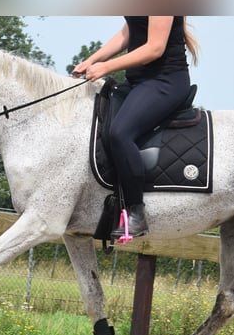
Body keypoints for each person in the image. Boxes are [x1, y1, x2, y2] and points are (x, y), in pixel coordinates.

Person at [73, 16, 199, 240]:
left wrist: (106, 66)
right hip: (137, 82)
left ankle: (136, 212)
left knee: (120, 133)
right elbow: (126, 34)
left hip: (165, 81)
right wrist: (91, 60)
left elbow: (154, 48)